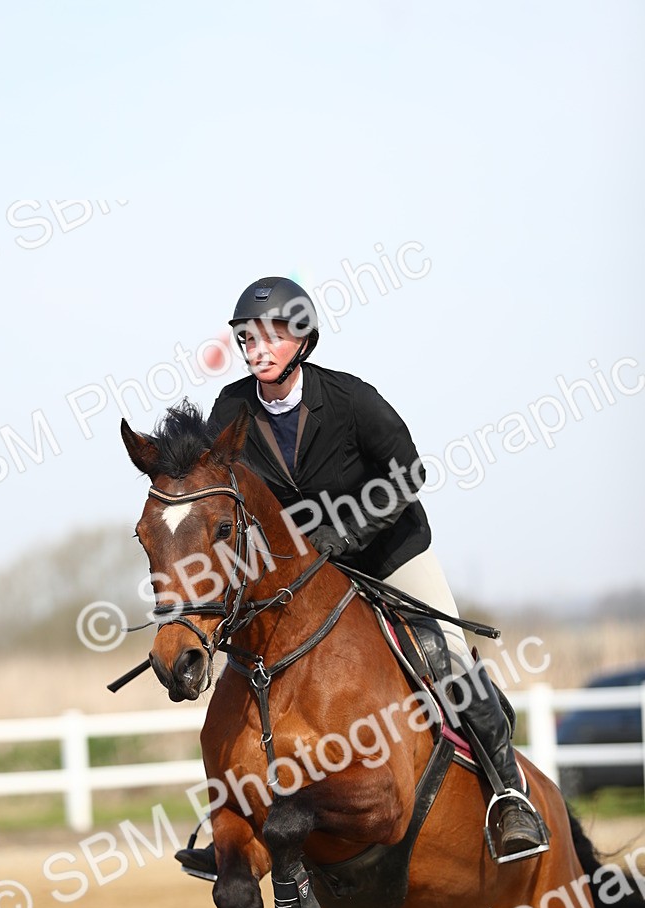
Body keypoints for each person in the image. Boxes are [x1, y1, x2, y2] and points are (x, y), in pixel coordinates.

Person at [177, 276, 548, 877]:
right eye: (247, 337)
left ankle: (510, 797)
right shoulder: (232, 409)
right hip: (304, 574)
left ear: (301, 339)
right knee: (252, 661)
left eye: (270, 335)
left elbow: (407, 472)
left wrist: (342, 537)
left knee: (446, 657)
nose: (256, 347)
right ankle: (234, 823)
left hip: (388, 549)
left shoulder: (349, 399)